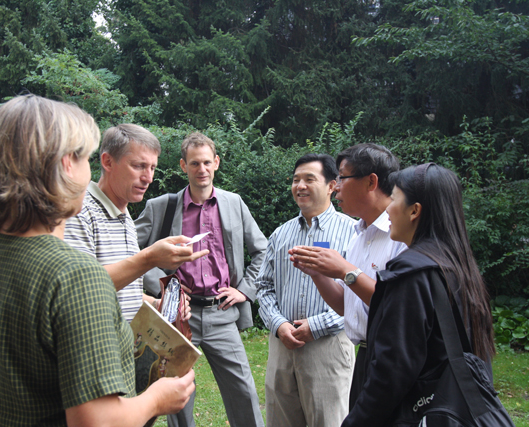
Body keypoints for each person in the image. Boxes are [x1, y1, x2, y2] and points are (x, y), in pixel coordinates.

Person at [0, 95, 195, 427]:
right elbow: (97, 422)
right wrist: (157, 398)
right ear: (67, 165)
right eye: (86, 158)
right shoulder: (77, 276)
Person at [341, 163, 495, 426]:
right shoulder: (458, 265)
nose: (387, 209)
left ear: (415, 210)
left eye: (394, 199)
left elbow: (391, 372)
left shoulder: (410, 274)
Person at [135, 132, 267, 427]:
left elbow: (263, 251)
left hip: (221, 313)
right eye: (194, 163)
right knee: (178, 397)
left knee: (244, 391)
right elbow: (130, 250)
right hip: (179, 317)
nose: (202, 169)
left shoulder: (233, 203)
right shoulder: (162, 206)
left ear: (216, 162)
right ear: (184, 165)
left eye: (207, 162)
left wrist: (245, 290)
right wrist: (162, 285)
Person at [289, 143, 405, 408]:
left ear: (371, 182)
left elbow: (397, 304)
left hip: (395, 356)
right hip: (365, 354)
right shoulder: (359, 235)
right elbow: (347, 305)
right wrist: (319, 275)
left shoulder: (400, 234)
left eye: (342, 178)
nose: (337, 187)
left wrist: (345, 270)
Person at [65, 123, 207, 322]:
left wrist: (157, 304)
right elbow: (80, 288)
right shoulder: (78, 211)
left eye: (152, 168)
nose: (148, 178)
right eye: (139, 166)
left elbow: (120, 291)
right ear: (107, 162)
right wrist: (149, 259)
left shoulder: (124, 216)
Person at [256, 153, 358, 427]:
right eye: (295, 180)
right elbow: (264, 287)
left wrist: (318, 325)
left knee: (329, 421)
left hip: (328, 347)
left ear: (332, 185)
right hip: (282, 346)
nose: (300, 186)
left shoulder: (353, 232)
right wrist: (278, 324)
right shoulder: (281, 234)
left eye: (309, 179)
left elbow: (360, 297)